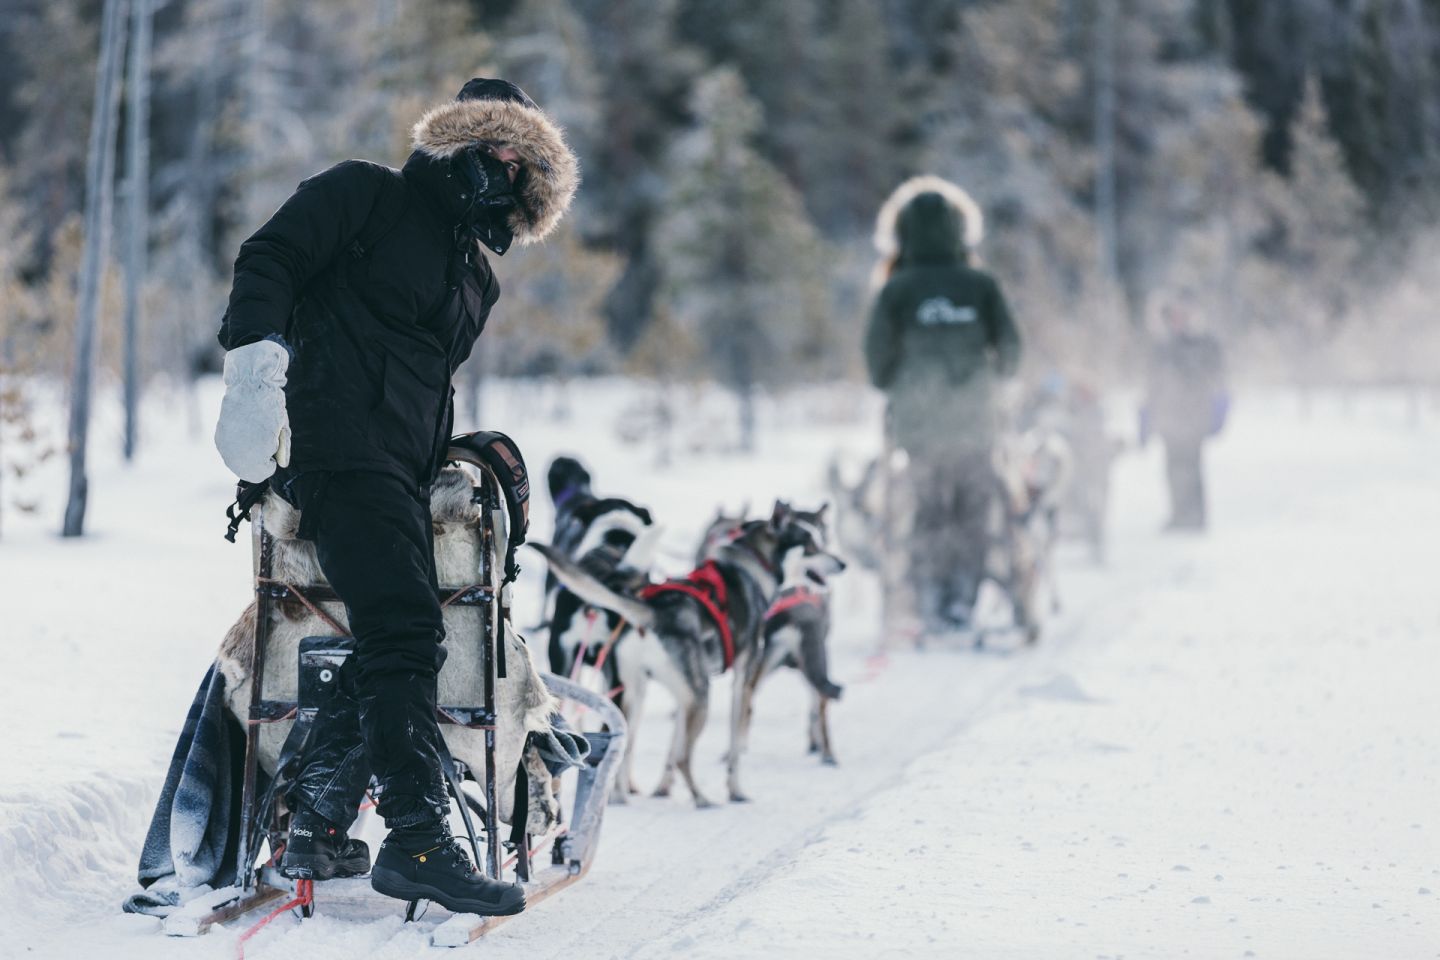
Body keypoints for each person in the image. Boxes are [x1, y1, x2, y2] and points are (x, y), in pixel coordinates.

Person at [212, 78, 577, 915]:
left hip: (399, 472)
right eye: (500, 149)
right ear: (462, 141)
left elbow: (421, 380)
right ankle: (417, 840)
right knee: (407, 626)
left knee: (397, 637)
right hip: (334, 448)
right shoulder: (364, 193)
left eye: (524, 162)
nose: (509, 168)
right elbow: (269, 259)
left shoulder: (477, 278)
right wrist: (255, 373)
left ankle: (318, 818)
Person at [864, 176, 1021, 634]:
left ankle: (929, 597)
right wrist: (990, 380)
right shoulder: (981, 285)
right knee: (972, 514)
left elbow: (877, 362)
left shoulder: (896, 290)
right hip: (976, 423)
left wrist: (902, 384)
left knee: (928, 512)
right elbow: (1010, 350)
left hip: (918, 429)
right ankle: (961, 599)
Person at [1142, 290, 1228, 531]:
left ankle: (1196, 517)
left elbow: (1218, 379)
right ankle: (1179, 514)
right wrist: (1147, 414)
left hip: (1194, 416)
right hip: (1170, 418)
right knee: (1172, 469)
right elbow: (1153, 383)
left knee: (1192, 468)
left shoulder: (1203, 344)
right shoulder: (1162, 346)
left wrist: (1219, 409)